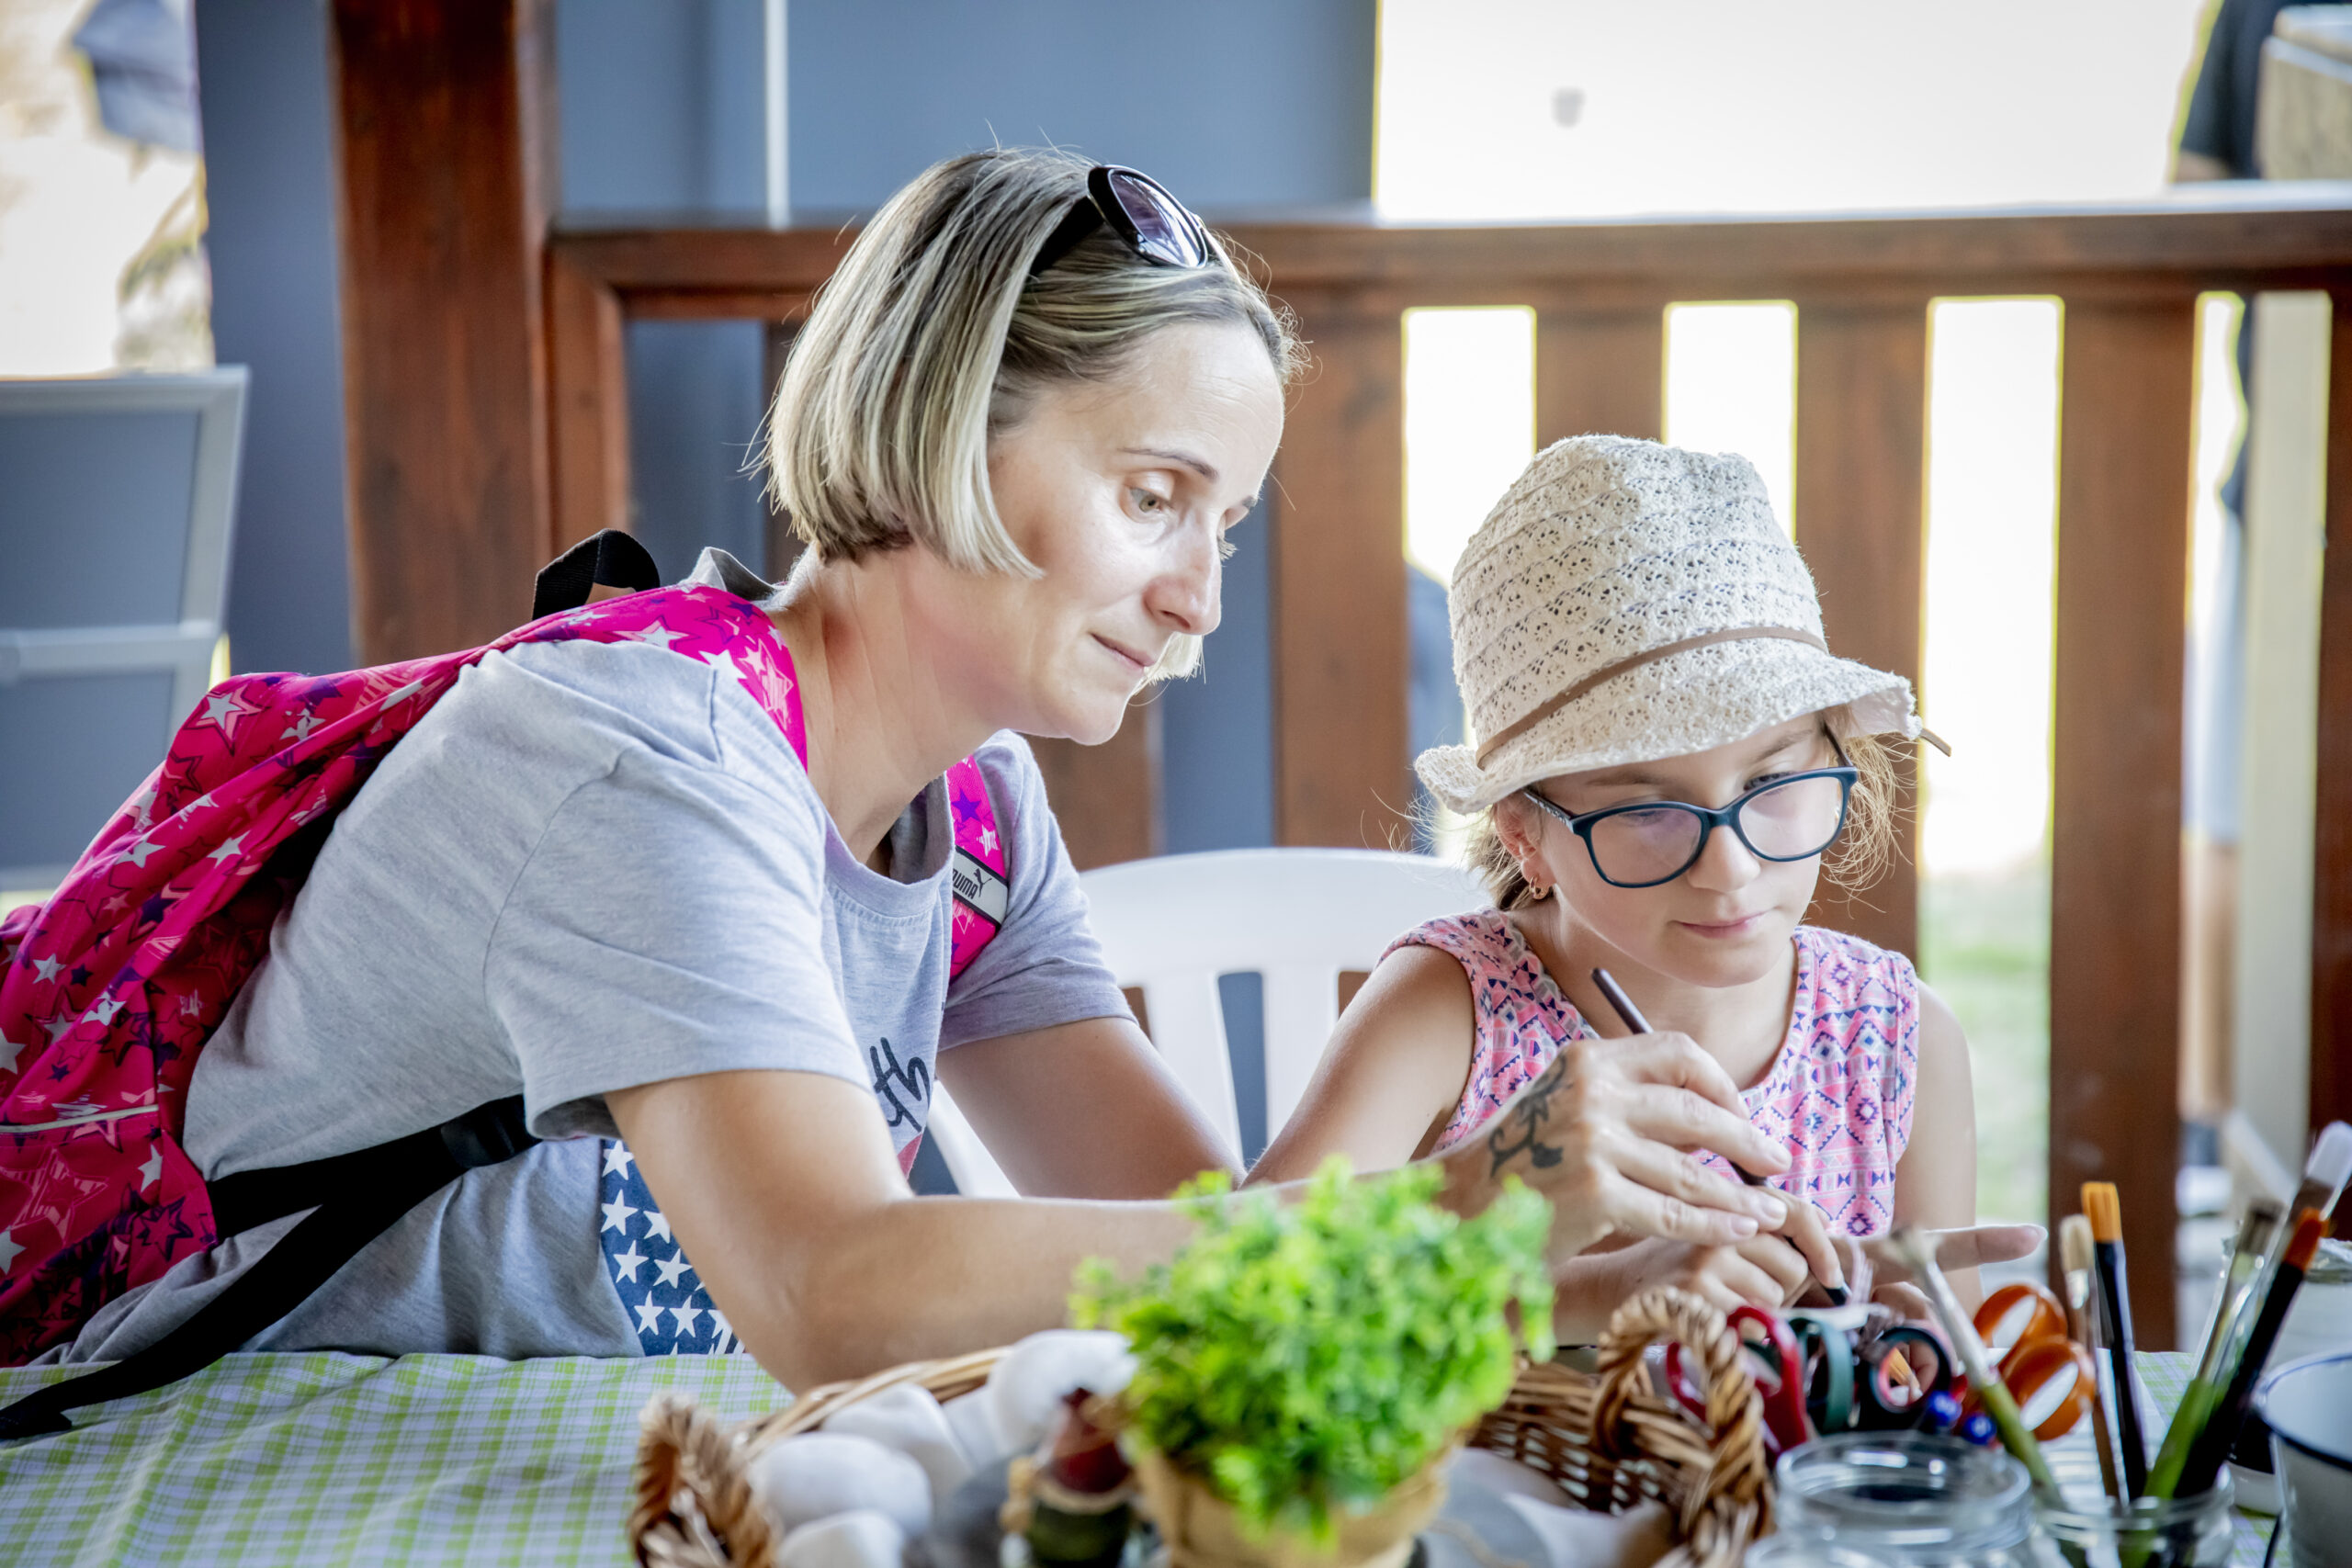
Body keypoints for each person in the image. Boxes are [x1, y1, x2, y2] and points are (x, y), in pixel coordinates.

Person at [31, 153, 1809, 1393]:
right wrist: (1456, 1205)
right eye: (1153, 497)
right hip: (197, 1427)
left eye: (1228, 525)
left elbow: (1213, 1244)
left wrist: (1540, 1283)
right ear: (944, 428)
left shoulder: (970, 816)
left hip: (531, 1431)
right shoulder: (643, 763)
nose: (1198, 597)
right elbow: (834, 1287)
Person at [1252, 436, 2038, 1334]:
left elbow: (1944, 1369)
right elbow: (1242, 1295)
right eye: (1646, 811)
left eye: (1771, 783)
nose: (1730, 868)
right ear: (1525, 834)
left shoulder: (1898, 1038)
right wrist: (1584, 1297)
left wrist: (1901, 1345)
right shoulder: (1449, 1012)